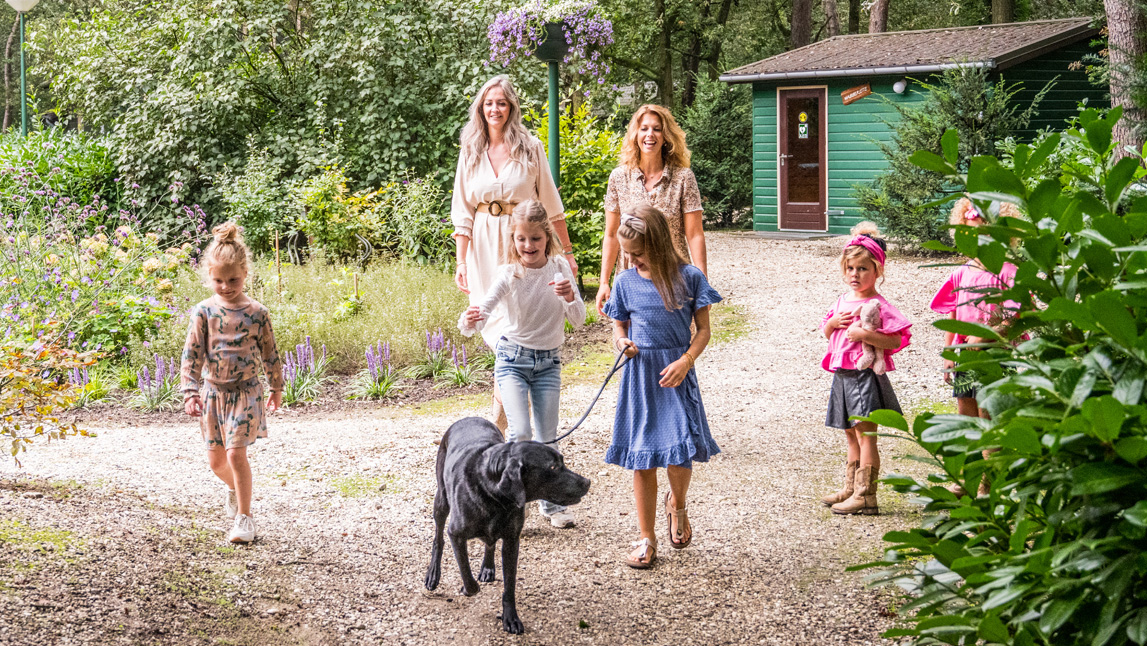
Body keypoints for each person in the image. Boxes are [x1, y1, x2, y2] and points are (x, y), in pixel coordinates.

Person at [450, 75, 578, 430]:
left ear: (511, 108)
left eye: (502, 103)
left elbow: (551, 204)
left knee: (515, 324)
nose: (495, 109)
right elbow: (461, 210)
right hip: (482, 246)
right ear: (481, 107)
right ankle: (505, 418)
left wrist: (566, 252)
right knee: (492, 324)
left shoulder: (530, 147)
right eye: (489, 103)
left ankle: (502, 420)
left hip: (522, 243)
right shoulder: (470, 151)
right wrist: (461, 261)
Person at [602, 205, 722, 569]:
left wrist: (686, 361)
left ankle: (678, 504)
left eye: (638, 253)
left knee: (679, 455)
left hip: (676, 374)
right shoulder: (624, 282)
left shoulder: (689, 278)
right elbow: (618, 325)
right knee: (643, 459)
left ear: (658, 243)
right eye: (627, 253)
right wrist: (622, 342)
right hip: (640, 375)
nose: (632, 259)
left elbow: (703, 332)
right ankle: (646, 537)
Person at [458, 200, 587, 528]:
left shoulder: (558, 268)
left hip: (548, 363)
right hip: (512, 360)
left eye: (535, 239)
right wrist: (470, 318)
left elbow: (579, 319)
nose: (528, 246)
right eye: (521, 239)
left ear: (547, 237)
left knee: (546, 437)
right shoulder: (509, 273)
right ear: (512, 239)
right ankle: (510, 509)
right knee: (520, 432)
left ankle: (552, 505)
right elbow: (480, 315)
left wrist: (568, 296)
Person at [181, 223, 283, 544]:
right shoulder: (203, 312)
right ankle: (233, 489)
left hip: (245, 393)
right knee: (216, 462)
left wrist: (276, 387)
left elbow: (270, 353)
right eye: (218, 280)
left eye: (233, 279)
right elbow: (192, 354)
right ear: (209, 278)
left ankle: (245, 518)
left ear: (246, 273)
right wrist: (190, 391)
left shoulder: (257, 314)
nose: (226, 286)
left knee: (237, 455)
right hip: (212, 394)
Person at [819, 222, 912, 516]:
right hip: (843, 373)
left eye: (862, 269)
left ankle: (866, 494)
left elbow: (897, 337)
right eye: (850, 269)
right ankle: (850, 486)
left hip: (864, 375)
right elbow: (827, 331)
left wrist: (866, 336)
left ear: (877, 271)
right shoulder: (842, 300)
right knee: (849, 431)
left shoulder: (878, 304)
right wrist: (832, 324)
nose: (855, 275)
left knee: (866, 433)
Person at [930, 198, 1020, 497]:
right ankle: (971, 475)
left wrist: (983, 338)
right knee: (965, 412)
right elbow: (953, 313)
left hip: (995, 357)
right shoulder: (963, 272)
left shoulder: (1008, 272)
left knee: (988, 413)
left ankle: (990, 479)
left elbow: (1013, 317)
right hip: (965, 357)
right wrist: (948, 353)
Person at [595, 104, 706, 315]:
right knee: (631, 342)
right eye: (644, 128)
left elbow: (695, 235)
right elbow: (610, 235)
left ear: (666, 136)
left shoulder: (683, 178)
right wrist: (604, 282)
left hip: (674, 275)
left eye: (657, 129)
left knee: (677, 341)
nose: (650, 134)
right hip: (632, 277)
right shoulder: (619, 178)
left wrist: (702, 283)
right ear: (635, 134)